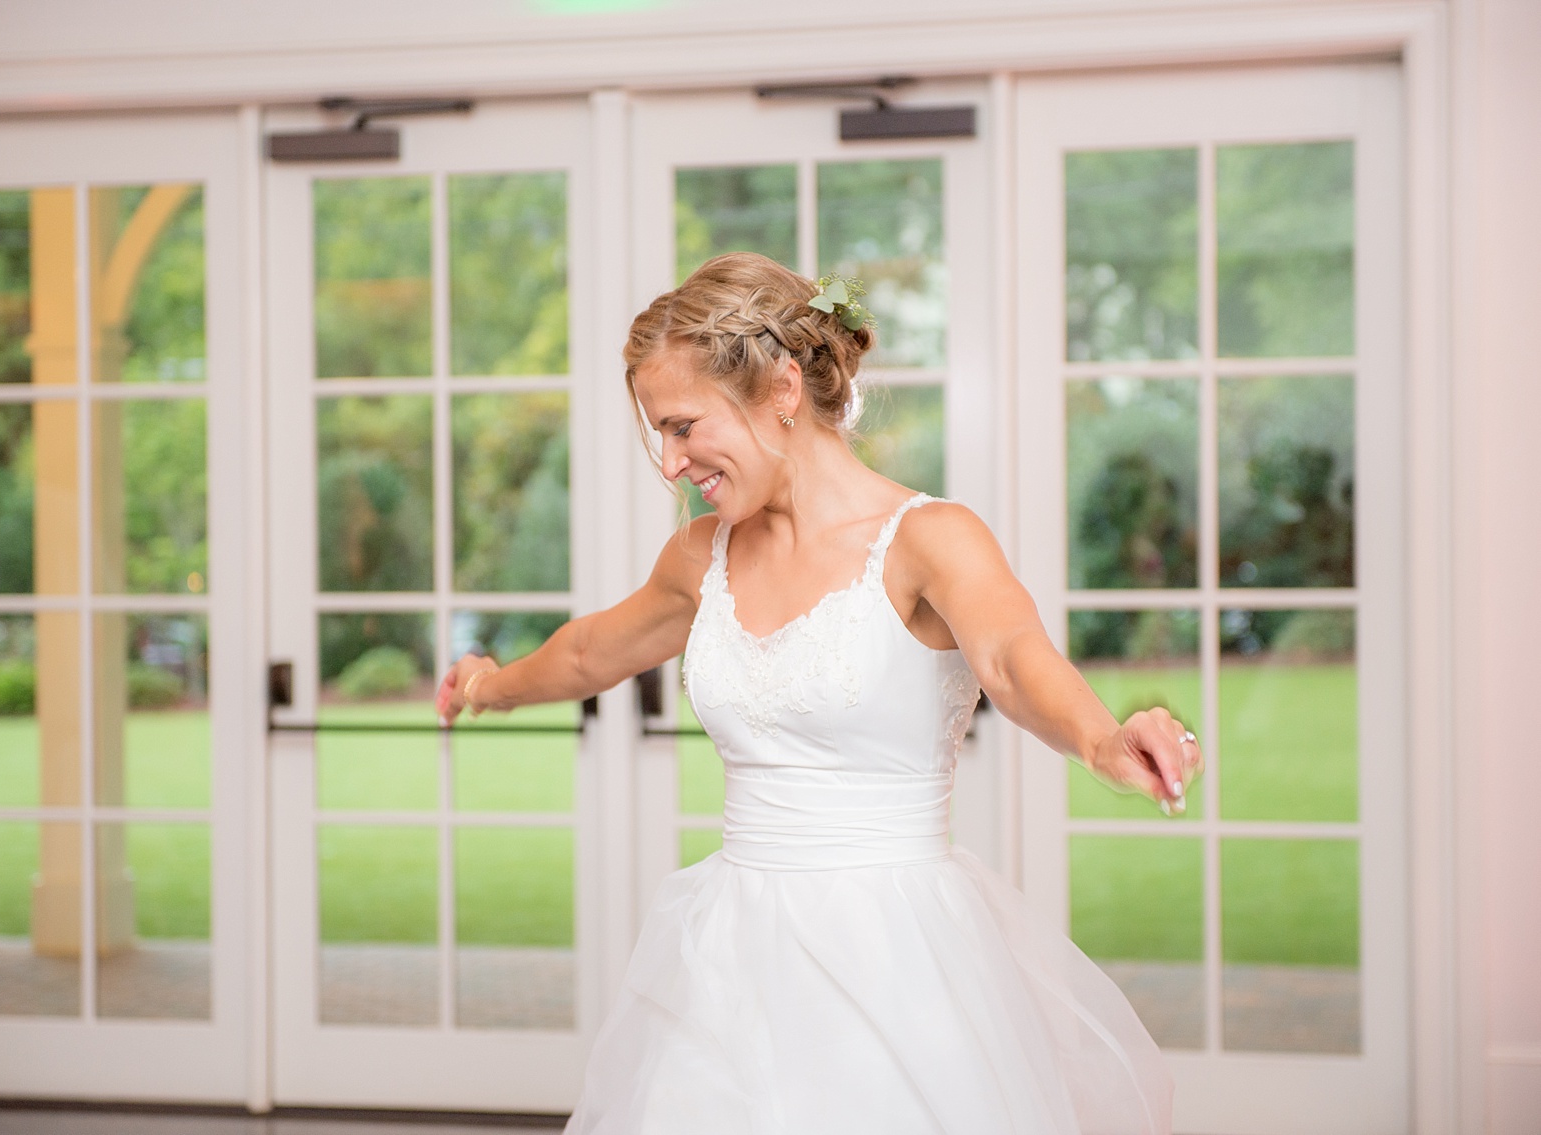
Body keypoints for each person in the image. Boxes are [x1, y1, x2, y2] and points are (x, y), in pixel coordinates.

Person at [436, 252, 1197, 1134]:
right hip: (728, 965)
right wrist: (490, 686)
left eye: (684, 426)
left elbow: (1013, 657)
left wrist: (1103, 740)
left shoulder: (931, 539)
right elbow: (588, 653)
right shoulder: (701, 557)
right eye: (661, 435)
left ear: (782, 389)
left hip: (899, 961)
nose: (675, 462)